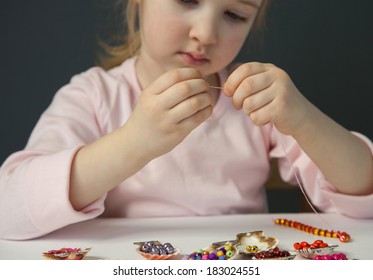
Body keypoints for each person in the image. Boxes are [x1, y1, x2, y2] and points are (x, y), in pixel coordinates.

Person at [0, 0, 372, 240]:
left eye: (234, 15)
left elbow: (365, 195)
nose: (206, 34)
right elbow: (10, 210)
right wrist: (135, 141)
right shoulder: (94, 96)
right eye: (187, 1)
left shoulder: (257, 98)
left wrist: (304, 118)